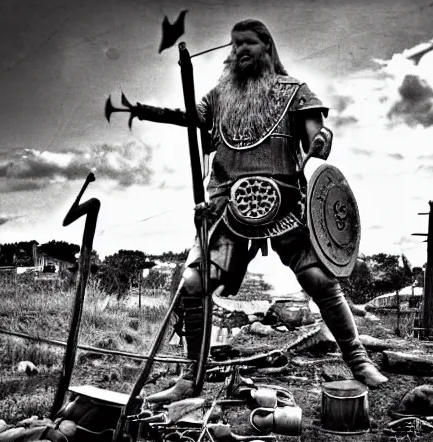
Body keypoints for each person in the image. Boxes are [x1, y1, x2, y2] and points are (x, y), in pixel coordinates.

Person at [125, 19, 388, 402]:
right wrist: (146, 110)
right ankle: (191, 376)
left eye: (248, 43)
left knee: (318, 280)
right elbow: (191, 118)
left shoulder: (295, 91)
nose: (240, 51)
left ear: (267, 46)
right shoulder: (219, 96)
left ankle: (358, 359)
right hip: (229, 205)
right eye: (235, 45)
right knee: (195, 285)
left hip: (284, 202)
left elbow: (319, 140)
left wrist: (322, 139)